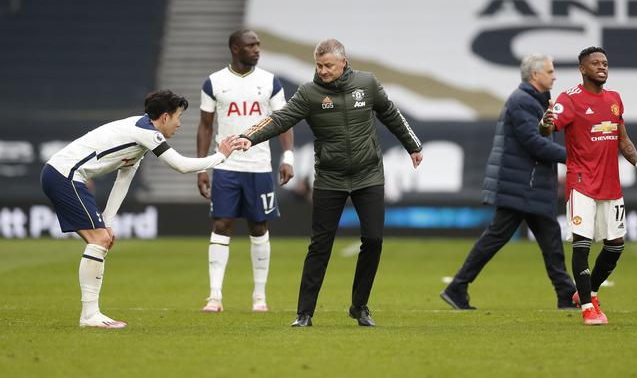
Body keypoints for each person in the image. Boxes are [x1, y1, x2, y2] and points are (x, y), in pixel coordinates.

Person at [235, 39, 423, 327]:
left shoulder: (367, 83)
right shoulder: (309, 93)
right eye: (318, 65)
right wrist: (249, 136)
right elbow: (280, 118)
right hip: (330, 178)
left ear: (343, 62)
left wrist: (412, 145)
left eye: (328, 66)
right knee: (320, 245)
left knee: (373, 240)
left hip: (368, 175)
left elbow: (391, 114)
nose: (322, 71)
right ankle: (304, 313)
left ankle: (359, 307)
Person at [41, 90, 240, 328]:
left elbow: (123, 179)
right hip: (66, 175)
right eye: (178, 117)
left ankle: (91, 314)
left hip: (62, 174)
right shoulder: (146, 132)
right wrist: (221, 156)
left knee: (100, 239)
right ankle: (90, 315)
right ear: (165, 117)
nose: (179, 124)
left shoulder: (140, 136)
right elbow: (181, 165)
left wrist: (107, 221)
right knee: (99, 241)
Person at [440, 53, 577, 311]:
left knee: (548, 241)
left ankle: (566, 294)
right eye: (550, 71)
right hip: (520, 185)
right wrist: (573, 157)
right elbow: (534, 144)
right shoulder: (522, 102)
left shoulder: (533, 100)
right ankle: (457, 286)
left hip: (529, 185)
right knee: (502, 239)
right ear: (535, 75)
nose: (554, 75)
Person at [540, 46, 637, 325]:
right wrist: (544, 123)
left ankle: (588, 292)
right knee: (582, 244)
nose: (602, 67)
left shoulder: (614, 99)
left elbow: (623, 140)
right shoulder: (569, 99)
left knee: (615, 245)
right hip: (581, 182)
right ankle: (587, 309)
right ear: (583, 69)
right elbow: (548, 127)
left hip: (610, 184)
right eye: (595, 63)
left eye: (605, 63)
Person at [197, 29, 294, 313]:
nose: (257, 49)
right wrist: (203, 166)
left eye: (258, 45)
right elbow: (205, 126)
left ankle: (259, 297)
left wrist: (287, 156)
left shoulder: (269, 82)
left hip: (259, 167)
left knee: (258, 226)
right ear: (235, 49)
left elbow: (284, 121)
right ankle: (214, 296)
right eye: (251, 45)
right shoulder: (214, 82)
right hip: (226, 166)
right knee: (221, 225)